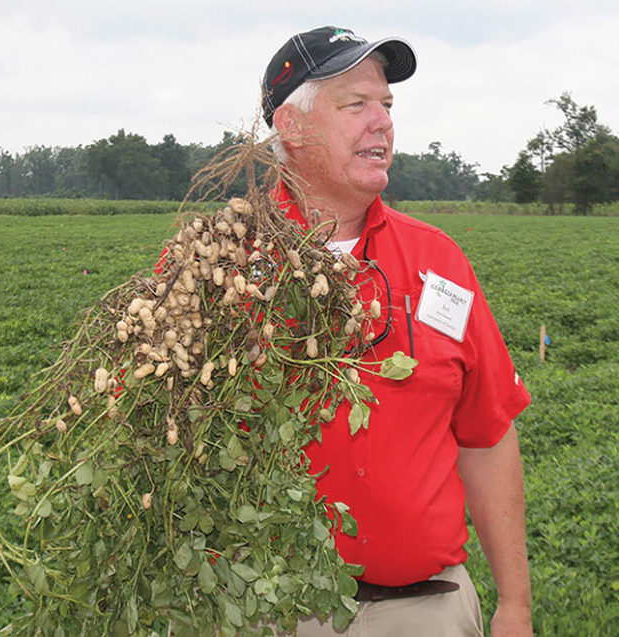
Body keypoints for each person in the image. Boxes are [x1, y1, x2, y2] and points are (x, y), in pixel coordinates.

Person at [261, 26, 533, 636]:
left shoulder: (441, 263)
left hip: (426, 611)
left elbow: (487, 434)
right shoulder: (218, 272)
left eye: (387, 105)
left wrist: (514, 604)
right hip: (268, 610)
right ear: (291, 126)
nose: (381, 122)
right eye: (356, 104)